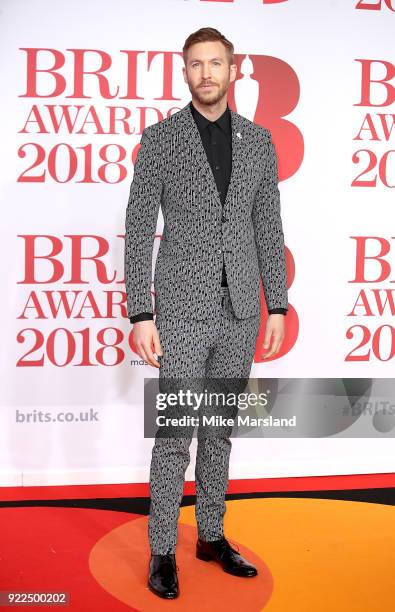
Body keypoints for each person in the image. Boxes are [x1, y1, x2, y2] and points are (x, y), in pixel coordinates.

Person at [124, 26, 288, 600]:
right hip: (180, 311)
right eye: (196, 64)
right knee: (175, 433)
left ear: (234, 68)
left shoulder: (259, 141)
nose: (207, 73)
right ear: (184, 70)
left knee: (219, 432)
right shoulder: (160, 139)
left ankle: (212, 535)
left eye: (216, 63)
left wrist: (278, 303)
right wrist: (140, 313)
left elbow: (268, 225)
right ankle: (163, 548)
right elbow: (141, 229)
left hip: (242, 308)